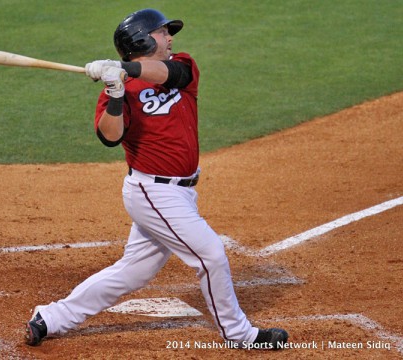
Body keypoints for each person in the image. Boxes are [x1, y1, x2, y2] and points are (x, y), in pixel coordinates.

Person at [25, 8, 289, 351]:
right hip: (152, 191)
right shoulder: (117, 88)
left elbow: (174, 73)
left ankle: (51, 317)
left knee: (134, 271)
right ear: (143, 39)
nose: (170, 38)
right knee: (210, 254)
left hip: (181, 192)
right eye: (163, 33)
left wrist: (125, 68)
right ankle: (240, 335)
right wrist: (117, 95)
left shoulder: (182, 65)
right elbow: (109, 136)